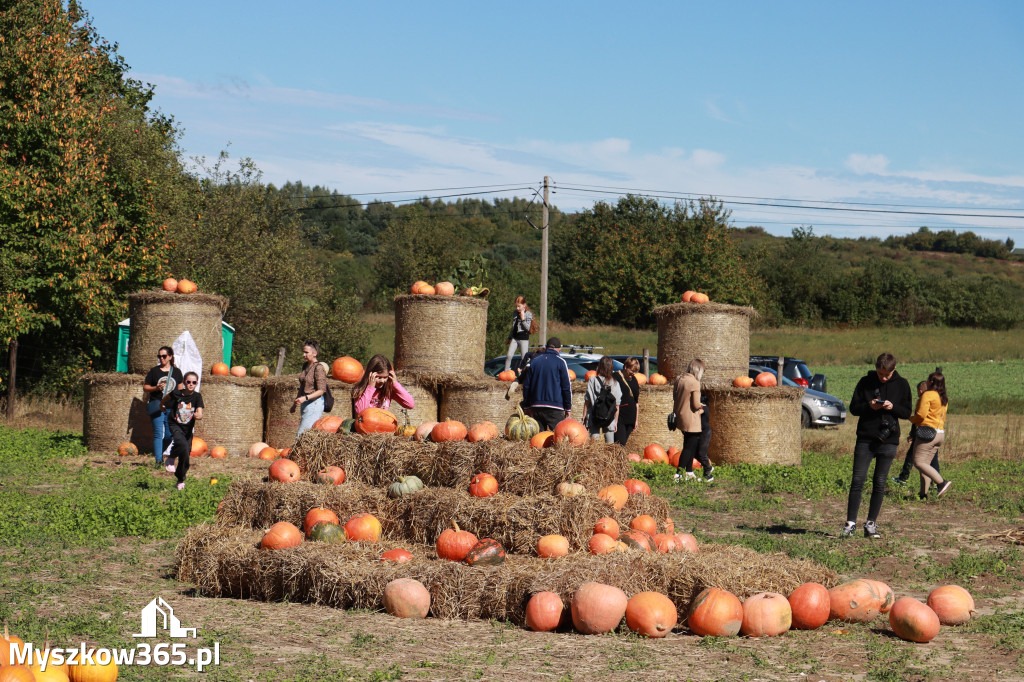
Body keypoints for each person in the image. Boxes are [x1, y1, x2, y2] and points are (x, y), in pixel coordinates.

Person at [842, 352, 912, 539]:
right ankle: (850, 524)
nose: (883, 378)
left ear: (894, 370)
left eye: (886, 375)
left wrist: (893, 407)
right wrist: (869, 406)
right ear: (876, 369)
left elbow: (907, 412)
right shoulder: (865, 382)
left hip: (888, 441)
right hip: (865, 438)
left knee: (880, 482)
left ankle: (871, 524)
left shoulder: (902, 384)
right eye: (880, 374)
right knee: (858, 480)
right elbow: (854, 408)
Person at [909, 370, 952, 499]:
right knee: (925, 464)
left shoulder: (928, 395)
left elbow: (921, 415)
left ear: (931, 382)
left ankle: (941, 483)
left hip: (927, 434)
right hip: (940, 434)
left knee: (917, 462)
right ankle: (923, 494)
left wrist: (911, 418)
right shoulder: (943, 397)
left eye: (928, 380)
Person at [894, 380, 942, 489]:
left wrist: (912, 432)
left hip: (923, 434)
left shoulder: (923, 400)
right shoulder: (936, 399)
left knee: (914, 458)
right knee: (932, 458)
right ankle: (934, 483)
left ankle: (904, 478)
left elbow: (918, 418)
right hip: (936, 433)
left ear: (920, 390)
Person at [160, 371, 203, 491]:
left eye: (193, 382)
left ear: (196, 383)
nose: (191, 384)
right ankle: (171, 457)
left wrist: (197, 415)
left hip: (188, 429)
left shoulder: (197, 396)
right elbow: (166, 397)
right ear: (184, 382)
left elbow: (200, 413)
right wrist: (161, 405)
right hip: (175, 424)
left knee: (185, 454)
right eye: (188, 382)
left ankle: (180, 480)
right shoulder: (177, 393)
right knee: (181, 443)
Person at [673, 359, 714, 483]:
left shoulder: (679, 379)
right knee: (689, 448)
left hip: (680, 416)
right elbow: (696, 404)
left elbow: (676, 398)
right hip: (691, 419)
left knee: (687, 445)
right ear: (698, 370)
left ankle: (689, 472)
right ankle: (678, 475)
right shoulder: (694, 382)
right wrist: (702, 407)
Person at [142, 346, 184, 466]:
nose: (161, 358)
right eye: (159, 356)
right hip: (157, 405)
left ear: (170, 357)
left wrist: (180, 403)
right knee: (158, 433)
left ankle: (158, 452)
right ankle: (159, 460)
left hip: (171, 407)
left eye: (164, 356)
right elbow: (145, 387)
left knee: (169, 435)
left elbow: (180, 389)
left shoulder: (176, 372)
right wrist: (156, 388)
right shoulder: (154, 371)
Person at [522, 337, 572, 430]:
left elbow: (527, 386)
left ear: (546, 347)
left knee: (539, 438)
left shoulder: (534, 361)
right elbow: (566, 387)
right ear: (560, 348)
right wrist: (568, 408)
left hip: (536, 406)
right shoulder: (560, 362)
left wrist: (527, 405)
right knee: (560, 437)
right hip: (554, 407)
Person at [583, 356, 621, 443]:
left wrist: (584, 416)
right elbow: (617, 405)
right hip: (609, 417)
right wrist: (615, 422)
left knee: (594, 447)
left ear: (599, 367)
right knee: (610, 447)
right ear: (611, 368)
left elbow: (587, 402)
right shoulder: (615, 383)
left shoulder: (592, 381)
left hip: (593, 416)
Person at [294, 341, 328, 437]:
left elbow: (321, 390)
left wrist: (305, 398)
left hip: (314, 403)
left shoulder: (319, 368)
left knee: (301, 436)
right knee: (306, 436)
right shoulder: (305, 366)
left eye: (306, 352)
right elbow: (302, 386)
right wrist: (295, 404)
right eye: (303, 352)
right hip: (305, 402)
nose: (303, 355)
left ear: (314, 353)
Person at [613, 357, 641, 446]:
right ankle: (618, 460)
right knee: (620, 443)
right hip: (619, 416)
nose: (633, 373)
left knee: (623, 443)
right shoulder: (615, 377)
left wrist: (636, 420)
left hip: (631, 417)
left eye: (635, 371)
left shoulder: (634, 380)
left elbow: (636, 401)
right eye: (632, 370)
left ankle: (619, 459)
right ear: (625, 367)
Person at [503, 295, 534, 373]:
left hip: (523, 339)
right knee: (509, 356)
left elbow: (527, 328)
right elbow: (513, 327)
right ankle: (506, 373)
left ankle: (524, 375)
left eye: (519, 306)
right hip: (515, 338)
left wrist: (523, 318)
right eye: (516, 306)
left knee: (524, 358)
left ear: (524, 305)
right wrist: (509, 338)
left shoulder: (528, 314)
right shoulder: (515, 313)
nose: (517, 308)